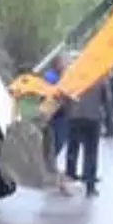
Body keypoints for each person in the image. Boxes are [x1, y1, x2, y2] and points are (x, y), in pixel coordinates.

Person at [65, 75, 111, 197]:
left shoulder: (73, 76)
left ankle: (70, 177)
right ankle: (90, 185)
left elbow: (65, 96)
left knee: (72, 148)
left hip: (75, 117)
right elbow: (107, 99)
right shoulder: (99, 77)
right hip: (93, 117)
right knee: (91, 152)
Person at [43, 57, 72, 194]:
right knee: (54, 147)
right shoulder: (51, 77)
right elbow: (53, 94)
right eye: (64, 62)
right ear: (57, 64)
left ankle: (54, 176)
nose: (67, 65)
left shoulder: (60, 76)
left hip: (61, 116)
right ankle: (57, 181)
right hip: (54, 117)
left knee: (56, 147)